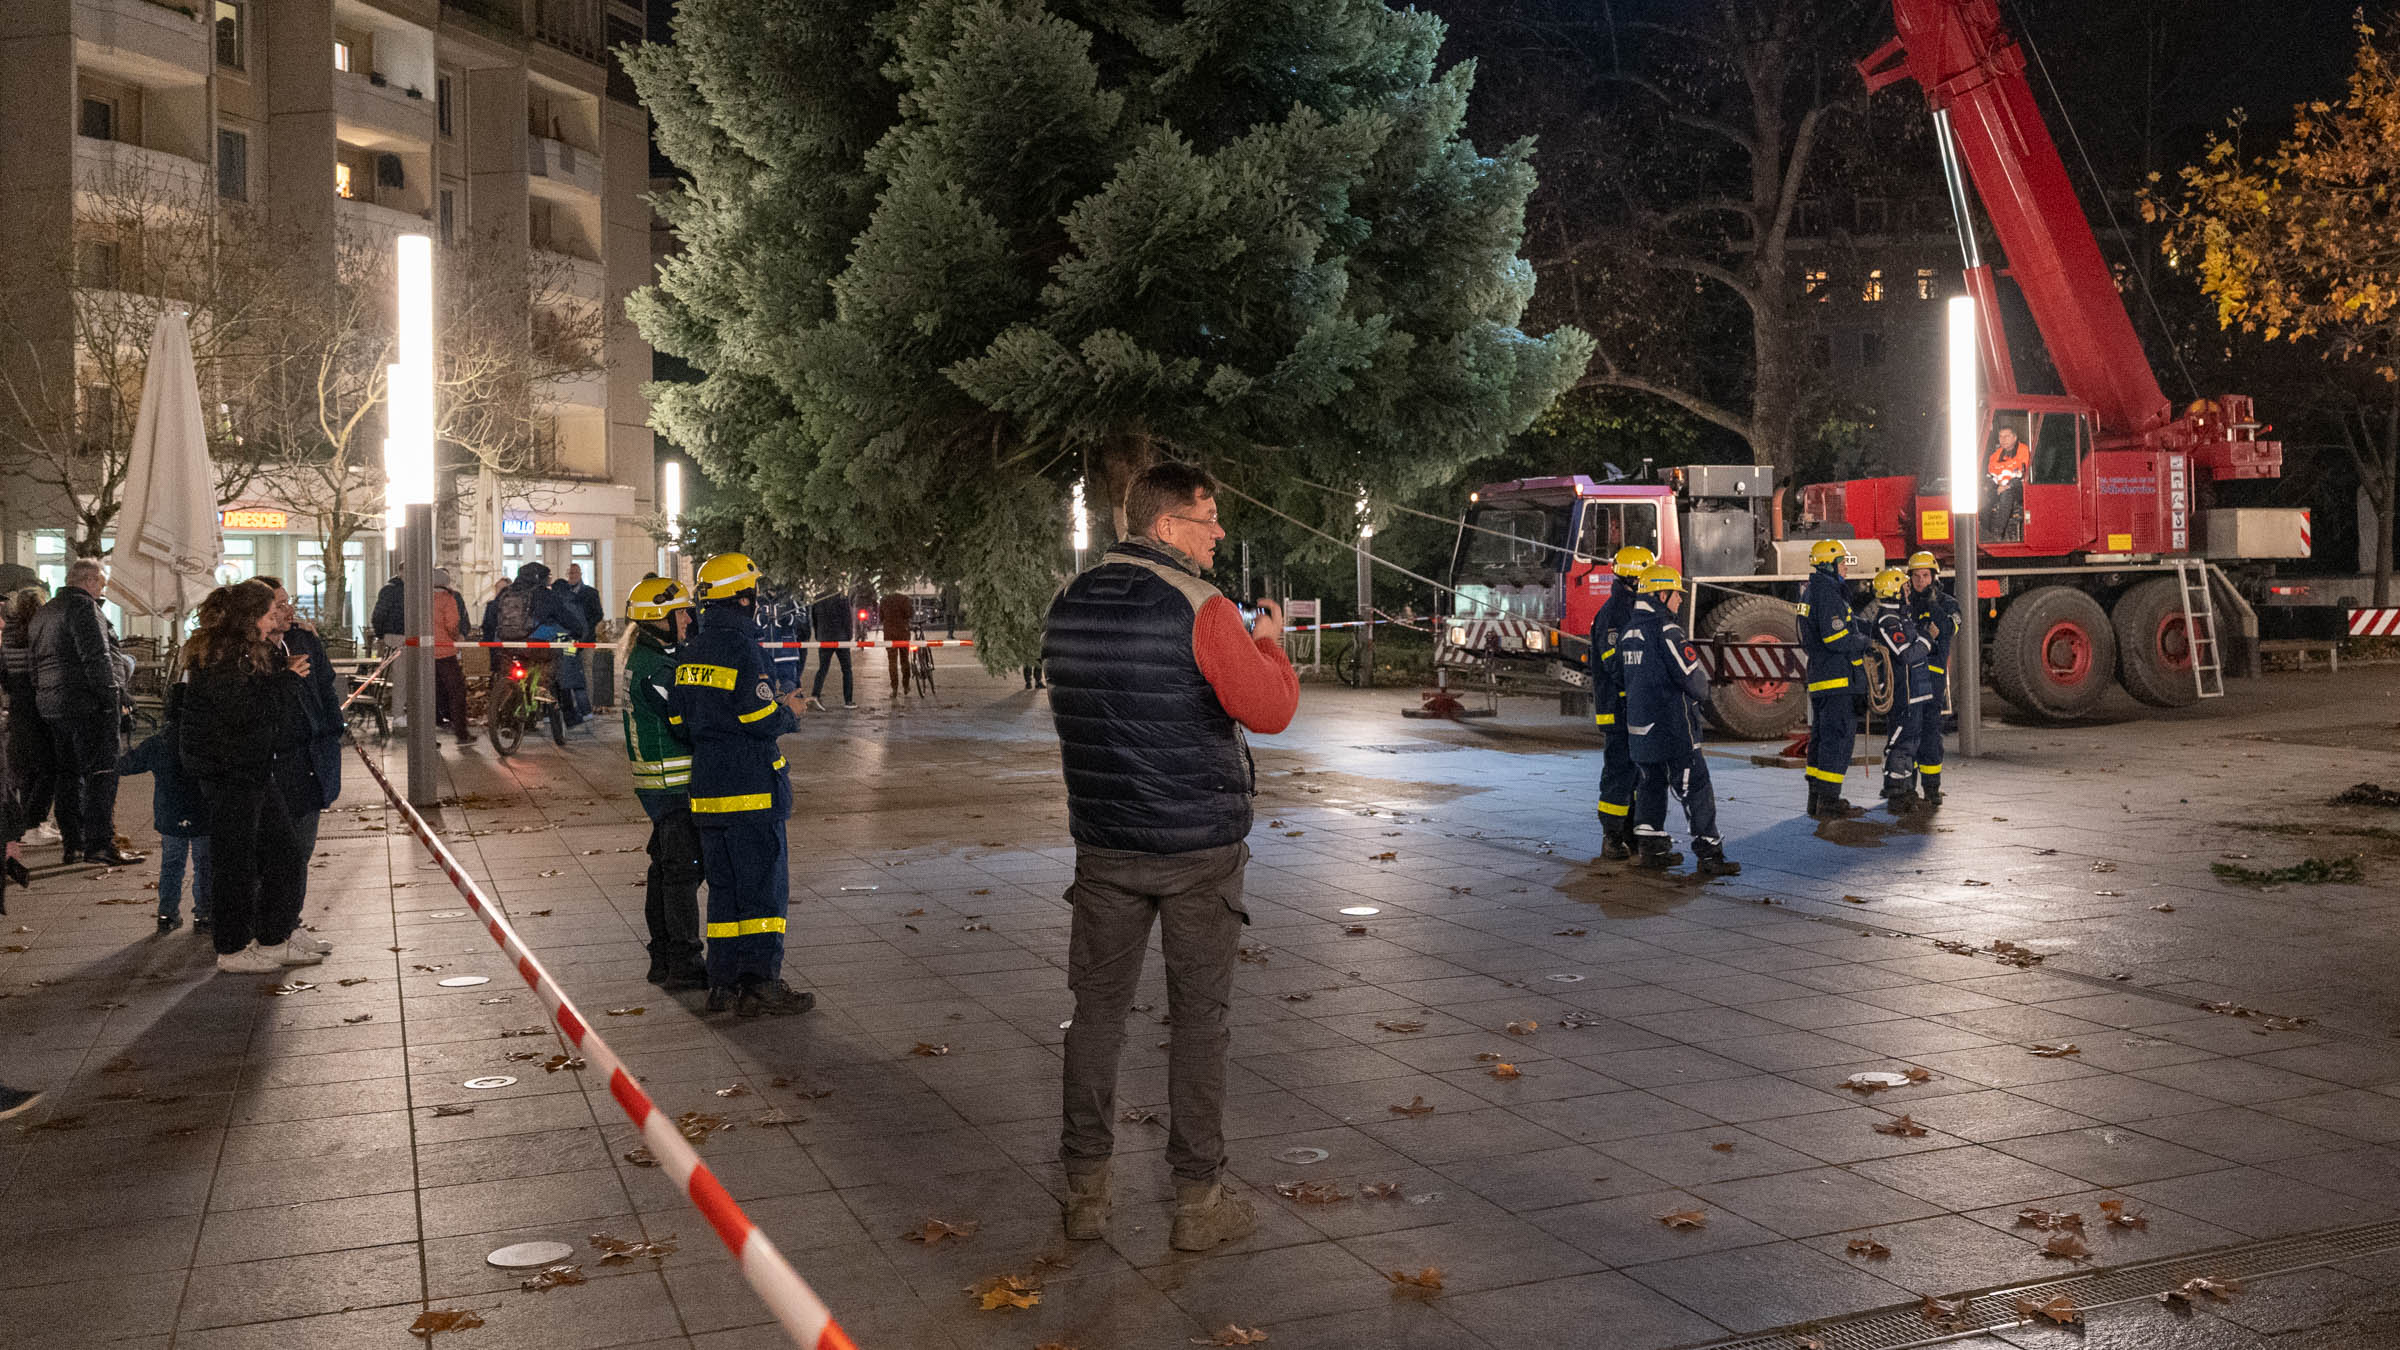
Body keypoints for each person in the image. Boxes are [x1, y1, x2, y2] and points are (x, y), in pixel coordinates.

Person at [1039, 462, 1299, 1254]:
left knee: (1096, 1018)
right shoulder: (1206, 609)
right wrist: (1270, 646)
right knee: (1198, 1023)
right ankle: (1198, 1203)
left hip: (1105, 845)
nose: (1218, 531)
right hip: (1198, 852)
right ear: (1164, 526)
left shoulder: (1069, 602)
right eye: (1207, 516)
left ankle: (1085, 1193)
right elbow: (1272, 709)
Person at [671, 552, 814, 1016]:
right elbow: (757, 717)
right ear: (745, 598)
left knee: (725, 892)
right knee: (763, 893)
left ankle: (723, 984)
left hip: (708, 793)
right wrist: (789, 711)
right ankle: (762, 982)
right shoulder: (743, 650)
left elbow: (678, 718)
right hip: (752, 791)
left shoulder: (689, 651)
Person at [178, 581, 321, 974]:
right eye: (270, 613)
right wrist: (287, 680)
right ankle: (233, 947)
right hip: (230, 771)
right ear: (250, 616)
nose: (277, 618)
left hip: (251, 768)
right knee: (236, 861)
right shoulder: (225, 656)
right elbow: (242, 711)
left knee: (283, 853)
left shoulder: (246, 651)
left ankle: (274, 936)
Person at [1623, 565, 1739, 876]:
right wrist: (1705, 693)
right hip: (1672, 727)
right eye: (1676, 595)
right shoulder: (1667, 631)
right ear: (1661, 594)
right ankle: (1710, 853)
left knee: (1650, 785)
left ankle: (1652, 849)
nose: (1679, 601)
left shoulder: (1629, 632)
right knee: (1695, 786)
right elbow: (1694, 680)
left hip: (1639, 726)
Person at [622, 577, 708, 990]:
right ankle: (684, 963)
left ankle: (662, 958)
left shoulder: (646, 657)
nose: (690, 618)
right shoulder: (658, 670)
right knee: (681, 875)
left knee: (665, 872)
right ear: (659, 621)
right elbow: (689, 724)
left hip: (659, 784)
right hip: (670, 785)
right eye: (682, 613)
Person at [30, 558, 141, 865]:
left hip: (53, 705)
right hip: (87, 703)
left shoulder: (46, 611)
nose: (102, 590)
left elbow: (34, 663)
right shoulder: (83, 607)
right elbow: (96, 657)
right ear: (90, 581)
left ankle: (73, 843)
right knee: (101, 774)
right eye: (102, 584)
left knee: (67, 774)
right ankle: (99, 843)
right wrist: (113, 698)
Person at [257, 578, 340, 956]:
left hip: (310, 756)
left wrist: (332, 730)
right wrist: (282, 675)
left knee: (300, 850)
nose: (288, 611)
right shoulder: (249, 655)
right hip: (275, 762)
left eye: (288, 604)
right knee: (277, 854)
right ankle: (268, 930)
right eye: (279, 605)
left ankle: (289, 925)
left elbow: (325, 685)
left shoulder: (303, 640)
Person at [118, 684, 210, 934]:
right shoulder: (206, 738)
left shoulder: (158, 743)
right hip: (203, 811)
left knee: (171, 864)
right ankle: (204, 914)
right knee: (204, 864)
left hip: (170, 813)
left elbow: (126, 765)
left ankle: (167, 913)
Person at [1587, 545, 1654, 861]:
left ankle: (1633, 834)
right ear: (1635, 578)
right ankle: (1612, 837)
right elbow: (1616, 663)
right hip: (1619, 708)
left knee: (1640, 774)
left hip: (1637, 706)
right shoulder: (1615, 613)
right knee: (1620, 773)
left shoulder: (1636, 609)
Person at [1794, 539, 1868, 821]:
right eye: (1841, 564)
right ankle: (1829, 802)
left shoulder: (1812, 591)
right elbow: (1836, 637)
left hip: (1822, 678)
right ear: (1829, 565)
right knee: (1837, 741)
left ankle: (1817, 799)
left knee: (1822, 739)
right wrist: (1864, 641)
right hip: (1837, 679)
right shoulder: (1827, 593)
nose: (1845, 570)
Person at [483, 562, 579, 724]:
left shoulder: (506, 592)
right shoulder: (543, 594)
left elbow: (491, 619)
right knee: (551, 657)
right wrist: (577, 631)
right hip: (534, 645)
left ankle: (505, 715)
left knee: (509, 677)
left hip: (506, 644)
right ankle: (542, 686)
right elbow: (565, 616)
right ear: (539, 578)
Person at [1868, 567, 1932, 811]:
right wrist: (1927, 638)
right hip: (1904, 692)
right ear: (1894, 592)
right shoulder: (1888, 620)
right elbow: (1906, 654)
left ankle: (1907, 790)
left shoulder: (1902, 616)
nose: (1909, 590)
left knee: (1913, 741)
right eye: (1904, 586)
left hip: (1916, 690)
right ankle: (1896, 793)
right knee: (1902, 742)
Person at [2, 587, 60, 846]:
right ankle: (32, 822)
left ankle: (32, 822)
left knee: (27, 765)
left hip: (17, 700)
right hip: (37, 697)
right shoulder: (38, 629)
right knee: (50, 766)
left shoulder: (8, 631)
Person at [1904, 552, 1961, 807]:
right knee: (1907, 731)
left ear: (1934, 577)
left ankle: (1932, 788)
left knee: (1929, 732)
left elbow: (1949, 629)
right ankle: (1906, 787)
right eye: (1916, 576)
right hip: (1906, 678)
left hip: (1932, 677)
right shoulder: (1904, 603)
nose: (1920, 581)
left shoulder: (1948, 603)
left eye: (1925, 575)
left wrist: (1932, 606)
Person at [555, 564, 605, 719]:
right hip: (570, 641)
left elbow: (598, 614)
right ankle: (573, 706)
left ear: (580, 574)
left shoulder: (591, 593)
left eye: (575, 572)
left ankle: (586, 707)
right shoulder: (562, 594)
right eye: (570, 573)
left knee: (586, 671)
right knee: (570, 671)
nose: (573, 575)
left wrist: (586, 629)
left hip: (587, 641)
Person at [430, 569, 473, 746]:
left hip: (425, 654)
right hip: (445, 652)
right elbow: (452, 625)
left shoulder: (421, 599)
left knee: (430, 693)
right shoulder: (448, 599)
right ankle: (461, 733)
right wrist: (457, 638)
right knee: (456, 691)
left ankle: (430, 736)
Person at [808, 587, 856, 709]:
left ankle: (815, 695)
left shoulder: (818, 598)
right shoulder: (842, 598)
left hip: (824, 638)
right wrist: (849, 636)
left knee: (822, 669)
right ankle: (848, 701)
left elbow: (814, 619)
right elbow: (847, 619)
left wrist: (819, 635)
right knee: (846, 670)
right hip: (841, 638)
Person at [1987, 425, 2030, 542]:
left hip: (2019, 487)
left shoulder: (2023, 450)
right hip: (2000, 487)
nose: (2003, 439)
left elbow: (2021, 473)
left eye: (2007, 436)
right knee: (1983, 494)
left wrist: (2006, 486)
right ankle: (1984, 529)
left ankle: (1997, 533)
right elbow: (1991, 474)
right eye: (2000, 436)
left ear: (2015, 437)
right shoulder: (1995, 455)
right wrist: (1996, 486)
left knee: (2008, 493)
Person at [880, 589, 915, 697]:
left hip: (889, 634)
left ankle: (894, 688)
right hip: (903, 633)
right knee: (904, 660)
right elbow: (910, 614)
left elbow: (881, 617)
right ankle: (906, 685)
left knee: (892, 662)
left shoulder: (884, 600)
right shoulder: (904, 599)